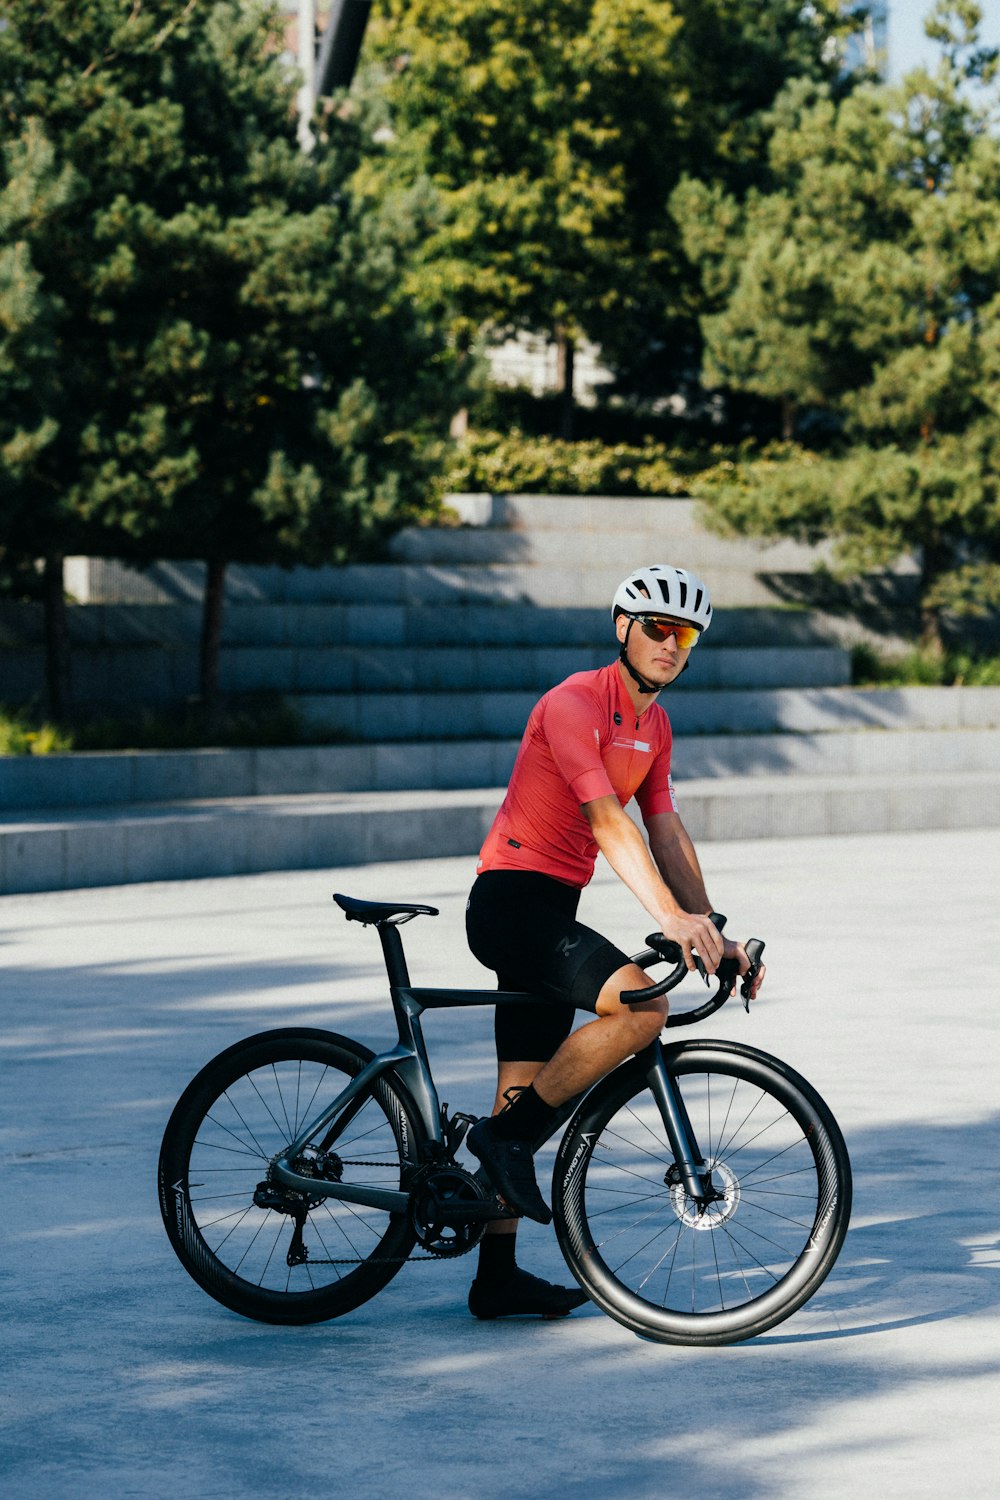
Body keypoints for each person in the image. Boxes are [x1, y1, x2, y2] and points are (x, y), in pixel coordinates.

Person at [463, 563, 766, 1320]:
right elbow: (607, 820)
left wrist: (714, 930)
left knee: (524, 1077)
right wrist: (669, 917)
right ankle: (505, 1144)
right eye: (657, 627)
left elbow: (663, 829)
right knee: (639, 1010)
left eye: (685, 633)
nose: (671, 644)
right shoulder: (574, 702)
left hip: (551, 905)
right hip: (511, 901)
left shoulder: (655, 725)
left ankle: (494, 1277)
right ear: (622, 627)